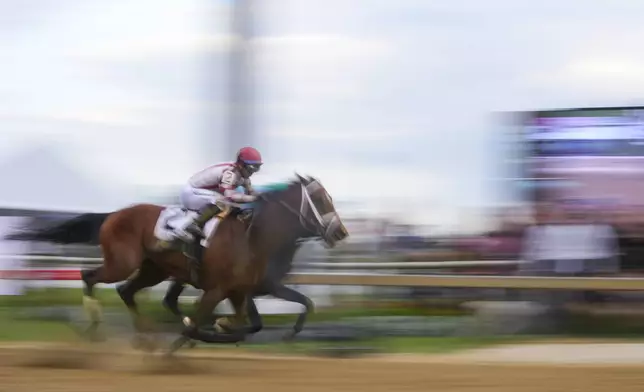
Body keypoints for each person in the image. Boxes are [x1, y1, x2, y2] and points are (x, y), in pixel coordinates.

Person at [171, 146, 263, 244]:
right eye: (251, 168)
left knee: (228, 204)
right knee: (222, 201)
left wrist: (264, 196)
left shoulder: (244, 176)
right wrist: (253, 198)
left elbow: (252, 193)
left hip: (200, 193)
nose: (253, 172)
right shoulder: (230, 173)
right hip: (190, 193)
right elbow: (230, 196)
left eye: (257, 168)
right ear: (241, 165)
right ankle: (191, 226)